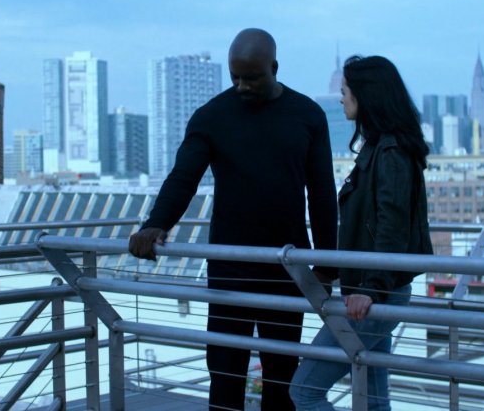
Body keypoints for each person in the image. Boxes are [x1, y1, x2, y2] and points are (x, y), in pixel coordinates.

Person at [128, 28, 338, 411]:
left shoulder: (308, 115)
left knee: (282, 375)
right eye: (235, 77)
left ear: (274, 67)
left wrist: (326, 265)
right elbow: (183, 177)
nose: (241, 85)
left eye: (252, 77)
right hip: (229, 267)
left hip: (286, 267)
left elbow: (322, 193)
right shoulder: (212, 116)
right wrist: (155, 223)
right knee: (224, 371)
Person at [289, 55, 434, 411]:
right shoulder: (380, 147)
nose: (341, 99)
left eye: (345, 92)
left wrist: (371, 289)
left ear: (366, 96)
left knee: (303, 391)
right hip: (372, 294)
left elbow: (392, 225)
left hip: (374, 297)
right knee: (372, 398)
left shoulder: (392, 152)